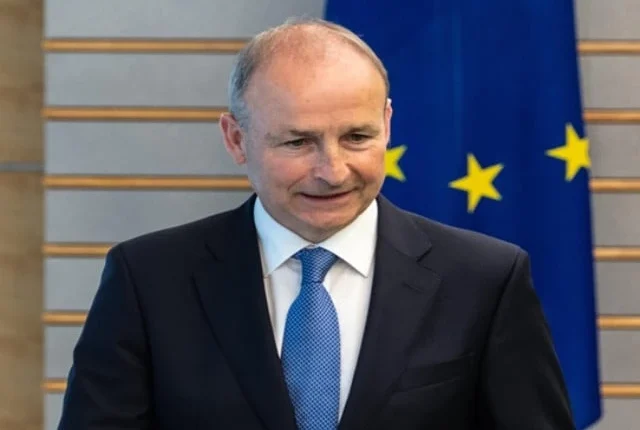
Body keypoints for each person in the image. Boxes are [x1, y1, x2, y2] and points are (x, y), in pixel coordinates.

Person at [58, 17, 575, 430]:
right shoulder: (148, 279)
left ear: (387, 124)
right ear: (236, 139)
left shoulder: (485, 279)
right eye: (298, 142)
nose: (333, 171)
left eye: (356, 137)